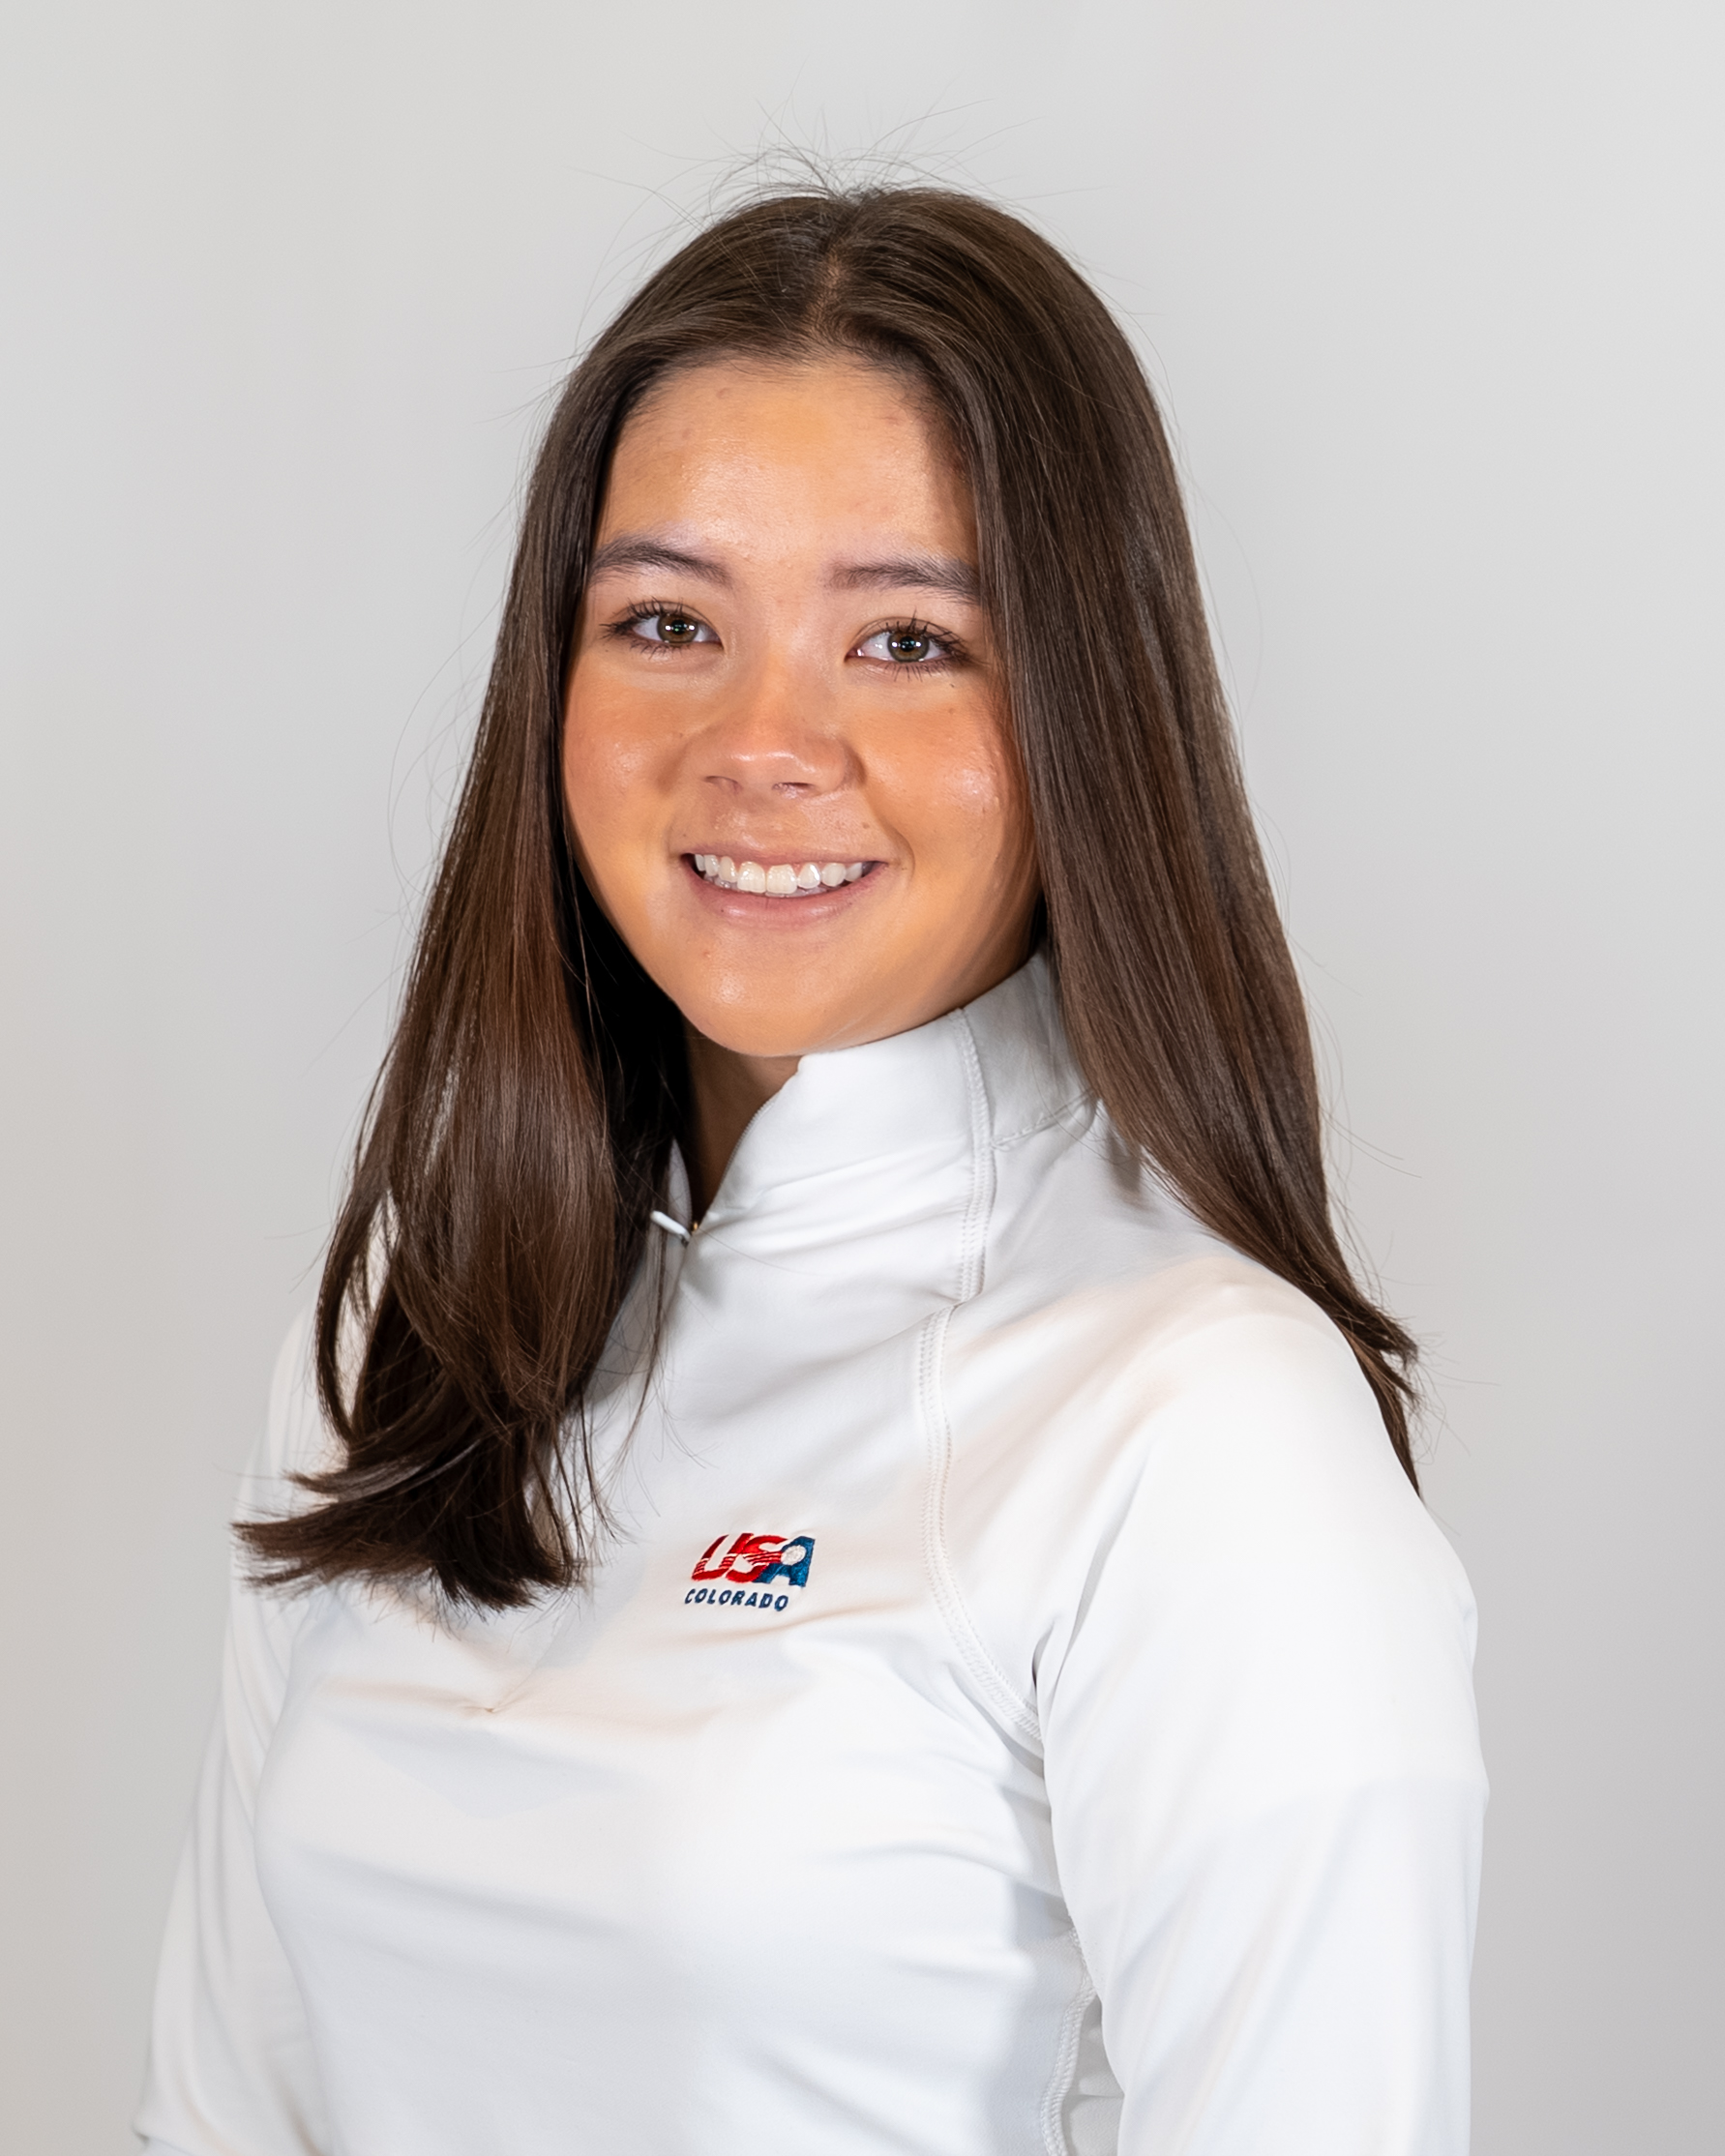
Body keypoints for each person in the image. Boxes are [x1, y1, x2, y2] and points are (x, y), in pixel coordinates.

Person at [137, 186, 1486, 2156]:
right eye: (668, 622)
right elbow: (220, 2108)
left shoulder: (1198, 1420)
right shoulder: (417, 1323)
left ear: (1085, 716)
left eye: (909, 639)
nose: (762, 742)